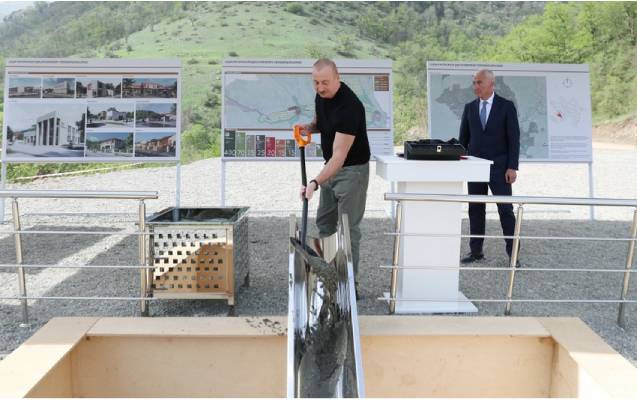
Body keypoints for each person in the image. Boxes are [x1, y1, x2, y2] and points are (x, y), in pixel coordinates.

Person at [299, 58, 370, 294]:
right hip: (330, 168)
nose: (320, 88)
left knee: (348, 230)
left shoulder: (350, 107)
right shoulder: (322, 96)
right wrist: (309, 128)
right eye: (316, 82)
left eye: (325, 82)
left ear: (337, 78)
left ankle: (349, 286)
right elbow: (322, 122)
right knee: (325, 223)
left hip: (351, 171)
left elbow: (339, 156)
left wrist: (314, 182)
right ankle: (331, 278)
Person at [458, 69, 521, 266]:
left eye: (479, 82)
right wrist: (460, 164)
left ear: (491, 84)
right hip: (475, 168)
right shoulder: (469, 108)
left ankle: (513, 255)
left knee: (506, 210)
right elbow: (463, 141)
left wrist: (512, 167)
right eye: (474, 83)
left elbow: (514, 139)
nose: (475, 86)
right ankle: (476, 251)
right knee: (475, 209)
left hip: (500, 169)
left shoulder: (506, 106)